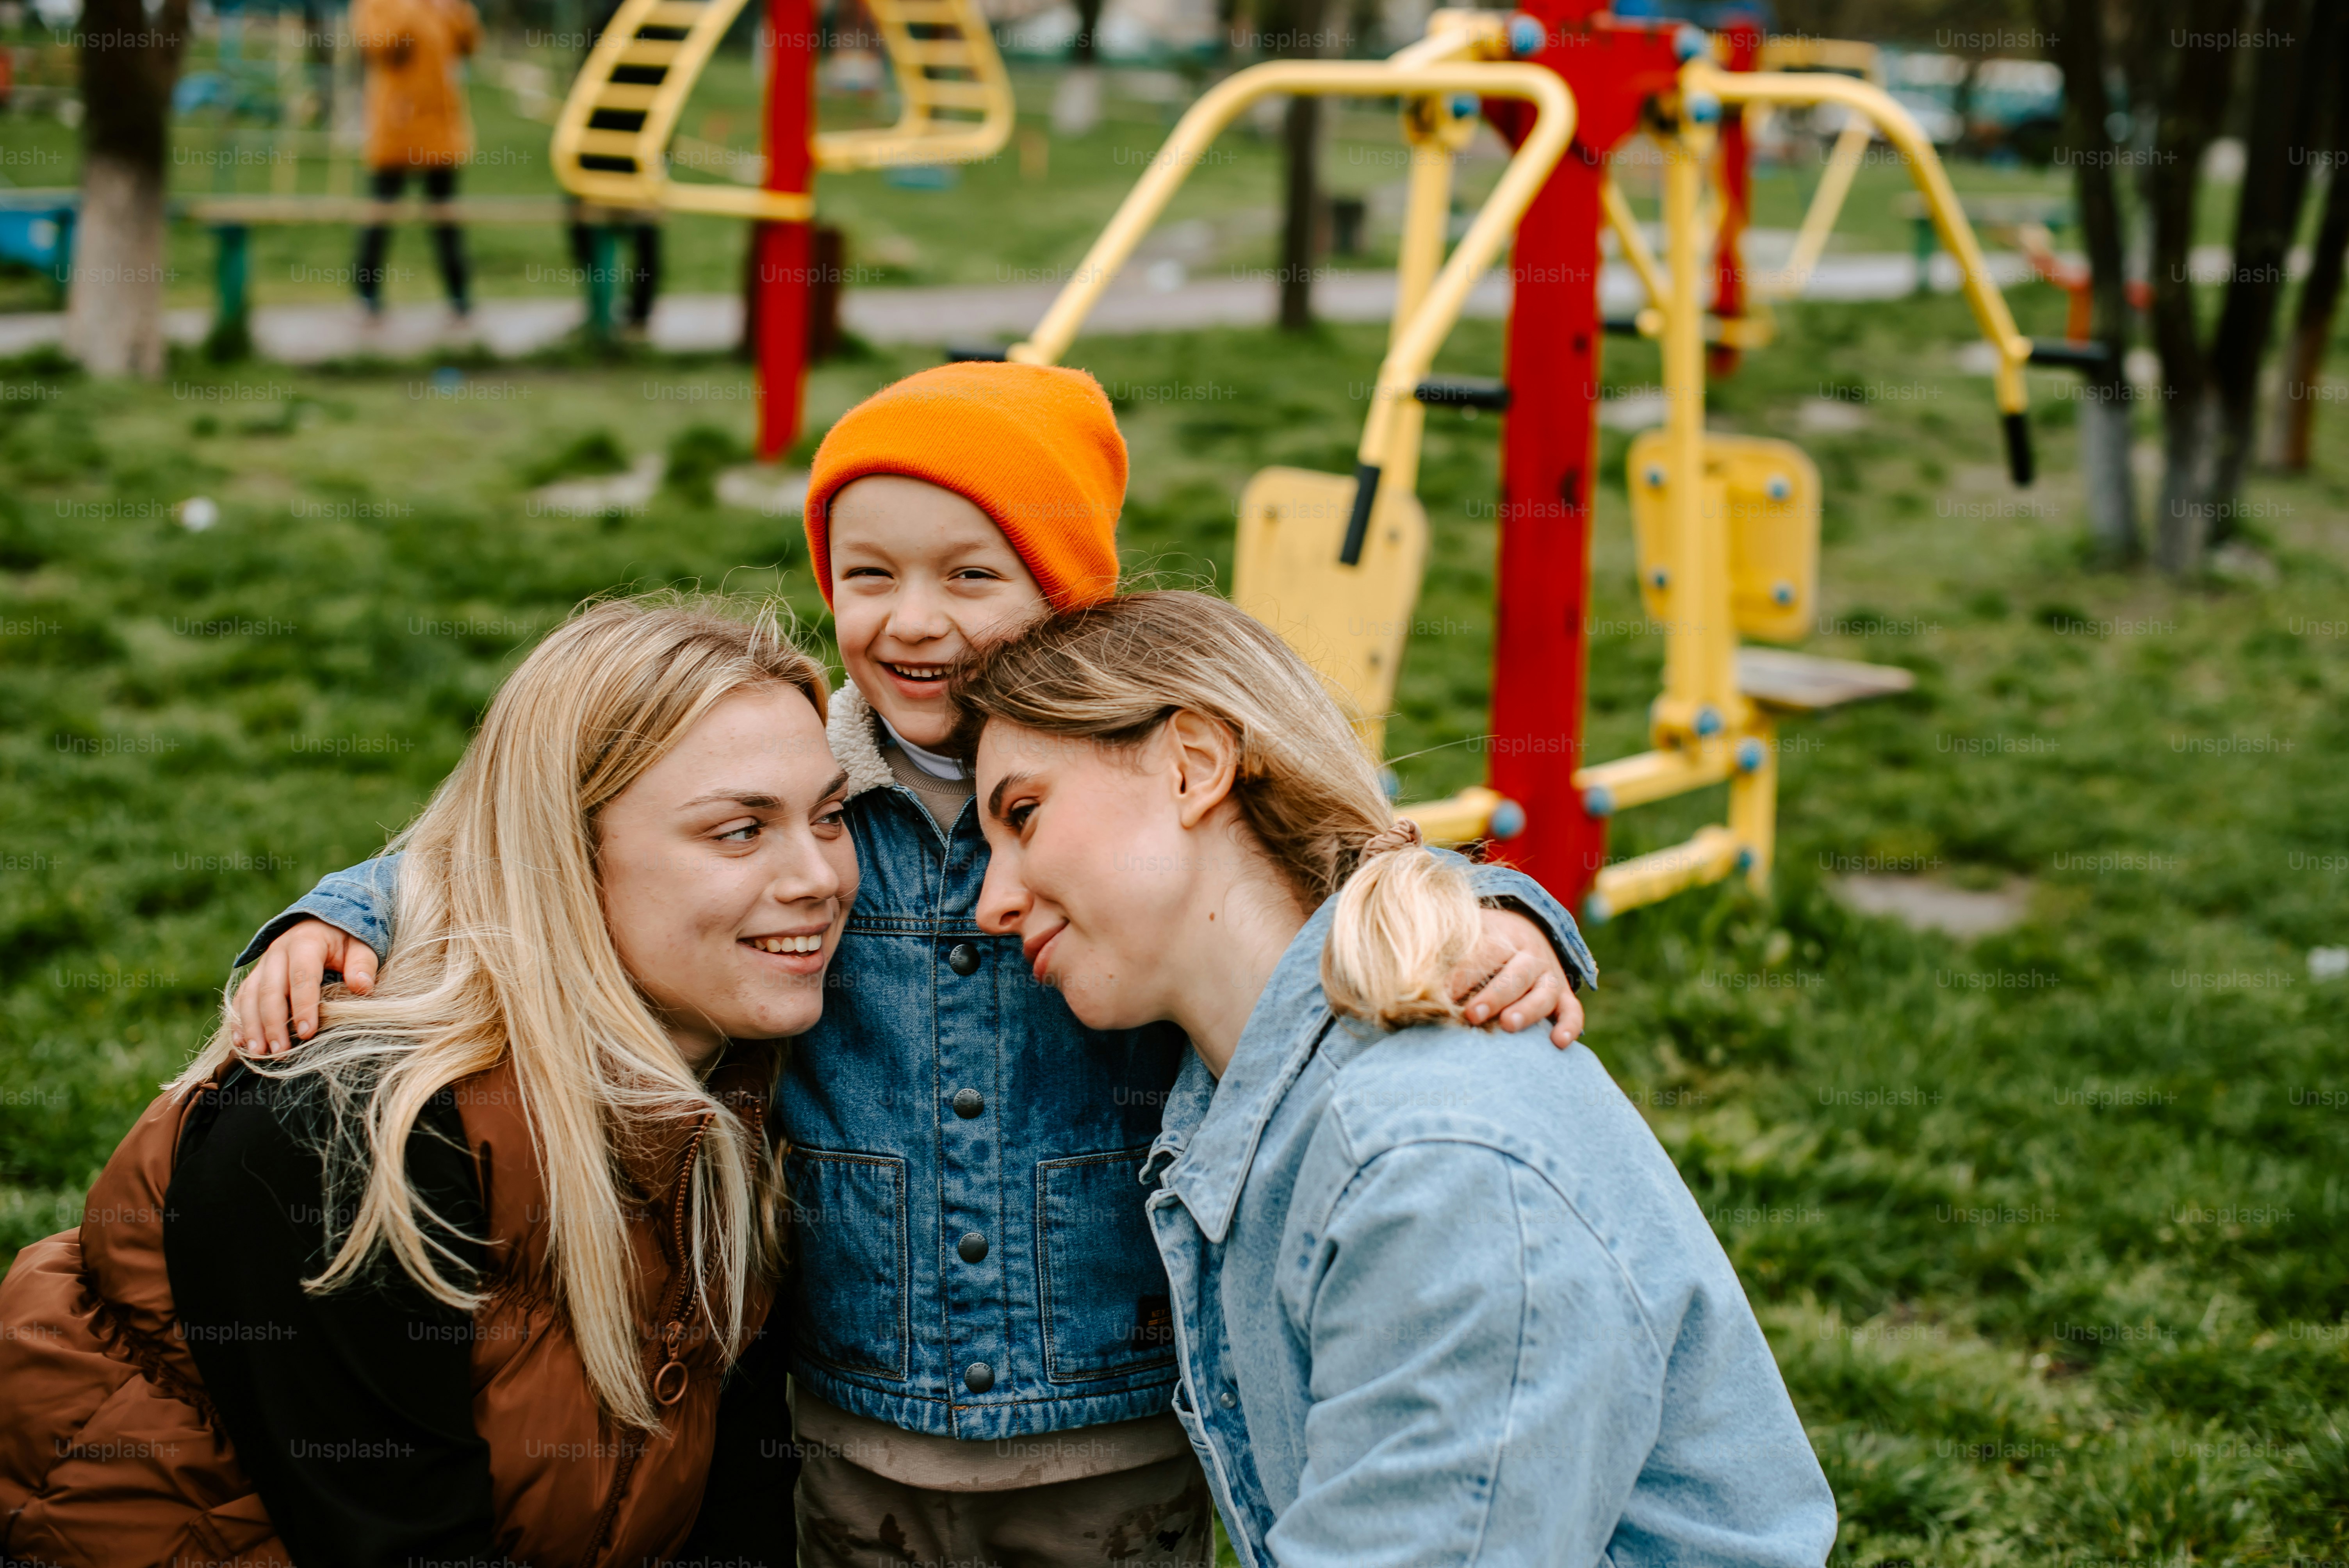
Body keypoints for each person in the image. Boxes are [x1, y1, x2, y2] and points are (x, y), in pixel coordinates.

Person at [218, 362, 1586, 1568]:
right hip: (852, 1415)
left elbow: (1341, 846)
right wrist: (347, 912)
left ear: (1066, 596)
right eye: (868, 577)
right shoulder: (803, 771)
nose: (911, 621)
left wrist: (1504, 913)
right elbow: (525, 827)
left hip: (1110, 1414)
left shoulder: (1130, 794)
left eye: (969, 577)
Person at [952, 590, 1841, 1566]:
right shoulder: (1257, 1097)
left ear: (1193, 765)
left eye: (1024, 814)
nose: (991, 903)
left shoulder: (1428, 1162)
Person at [0, 599, 831, 1568]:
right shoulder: (354, 1135)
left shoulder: (737, 1095)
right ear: (565, 853)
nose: (818, 876)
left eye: (832, 815)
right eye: (740, 830)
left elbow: (734, 1514)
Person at [351, 0, 480, 321]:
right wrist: (409, 7)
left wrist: (457, 10)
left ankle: (459, 294)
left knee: (446, 217)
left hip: (440, 127)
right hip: (396, 127)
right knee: (381, 213)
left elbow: (469, 45)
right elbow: (380, 46)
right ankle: (367, 292)